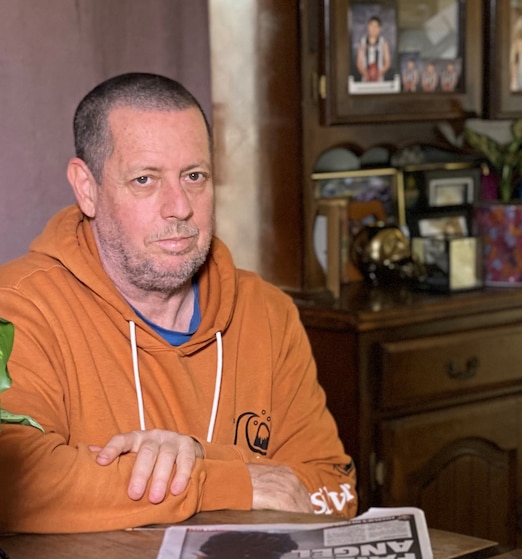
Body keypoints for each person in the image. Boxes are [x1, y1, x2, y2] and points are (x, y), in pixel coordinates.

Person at [0, 73, 357, 533]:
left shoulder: (268, 312)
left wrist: (199, 453)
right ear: (86, 188)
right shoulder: (17, 308)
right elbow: (18, 483)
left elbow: (337, 492)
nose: (180, 207)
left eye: (194, 176)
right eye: (145, 179)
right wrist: (234, 481)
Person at [355, 15, 390, 83]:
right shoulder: (362, 42)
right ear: (368, 27)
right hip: (365, 79)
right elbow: (359, 63)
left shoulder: (384, 43)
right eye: (371, 26)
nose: (373, 29)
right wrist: (366, 74)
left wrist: (379, 73)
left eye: (376, 26)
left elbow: (387, 62)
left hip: (379, 79)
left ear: (380, 29)